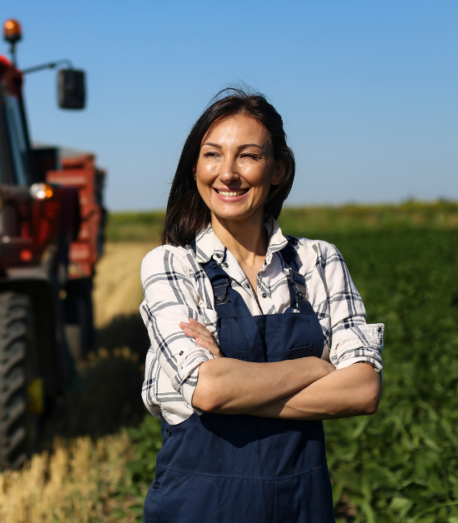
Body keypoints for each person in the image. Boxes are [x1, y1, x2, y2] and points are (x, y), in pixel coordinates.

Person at [140, 88, 384, 522]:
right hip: (199, 508)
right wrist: (314, 369)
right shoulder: (172, 265)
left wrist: (232, 383)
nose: (228, 173)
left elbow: (362, 390)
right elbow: (210, 390)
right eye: (212, 154)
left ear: (278, 170)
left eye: (248, 155)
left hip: (300, 507)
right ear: (195, 166)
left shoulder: (319, 261)